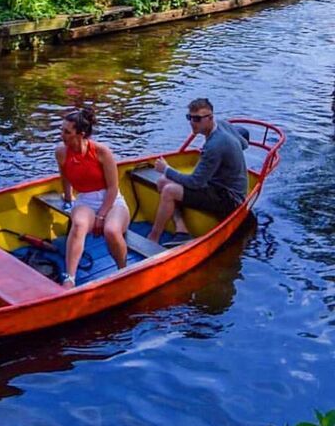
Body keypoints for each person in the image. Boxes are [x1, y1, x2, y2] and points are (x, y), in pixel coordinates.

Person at [147, 97, 249, 244]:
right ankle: (182, 230)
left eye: (197, 119)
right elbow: (244, 144)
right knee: (163, 182)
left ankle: (153, 238)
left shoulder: (215, 145)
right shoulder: (222, 124)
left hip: (229, 198)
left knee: (169, 190)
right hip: (217, 185)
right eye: (190, 117)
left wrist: (166, 169)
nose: (192, 123)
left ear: (210, 118)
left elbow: (195, 182)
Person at [55, 107, 130, 289]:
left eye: (67, 132)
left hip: (111, 201)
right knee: (79, 224)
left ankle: (123, 271)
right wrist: (67, 199)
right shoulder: (61, 152)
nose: (61, 135)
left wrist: (101, 216)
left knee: (111, 231)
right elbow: (65, 176)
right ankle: (70, 278)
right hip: (85, 200)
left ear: (80, 134)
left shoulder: (101, 152)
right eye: (61, 130)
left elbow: (113, 188)